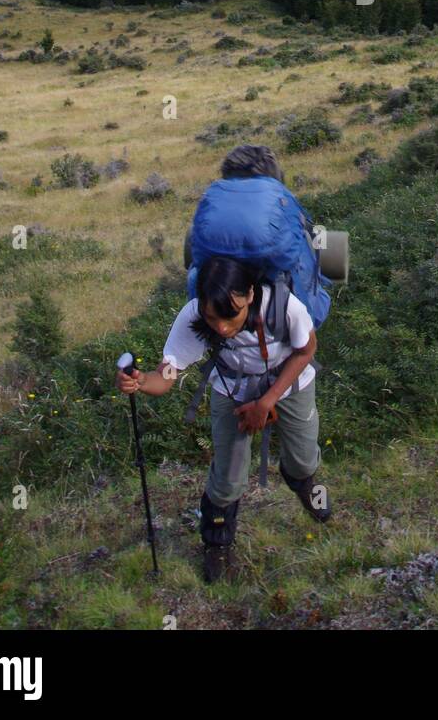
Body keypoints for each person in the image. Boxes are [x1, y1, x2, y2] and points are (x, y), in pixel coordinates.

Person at [116, 145, 331, 584]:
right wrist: (142, 384)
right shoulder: (196, 311)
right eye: (212, 320)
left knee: (304, 459)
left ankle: (306, 487)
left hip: (290, 382)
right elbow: (168, 376)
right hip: (231, 390)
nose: (222, 328)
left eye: (228, 317)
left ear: (250, 295)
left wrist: (267, 400)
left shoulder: (285, 305)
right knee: (228, 480)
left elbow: (306, 350)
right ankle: (217, 547)